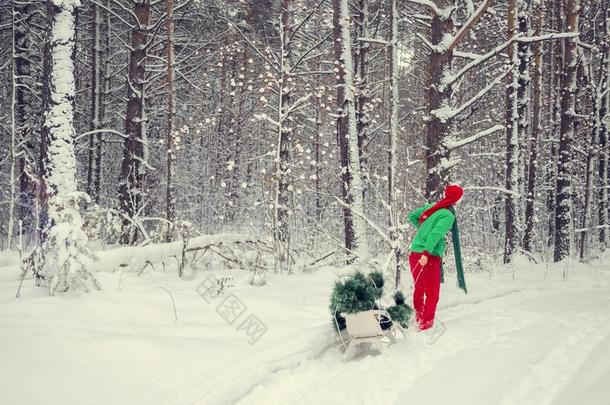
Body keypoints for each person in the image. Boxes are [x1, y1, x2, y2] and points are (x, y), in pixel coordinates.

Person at [407, 184, 464, 331]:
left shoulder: (432, 206)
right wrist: (426, 252)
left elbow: (412, 216)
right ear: (456, 200)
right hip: (429, 256)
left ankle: (419, 317)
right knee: (432, 293)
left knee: (419, 288)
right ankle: (426, 326)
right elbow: (436, 234)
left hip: (414, 253)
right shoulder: (448, 215)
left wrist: (422, 230)